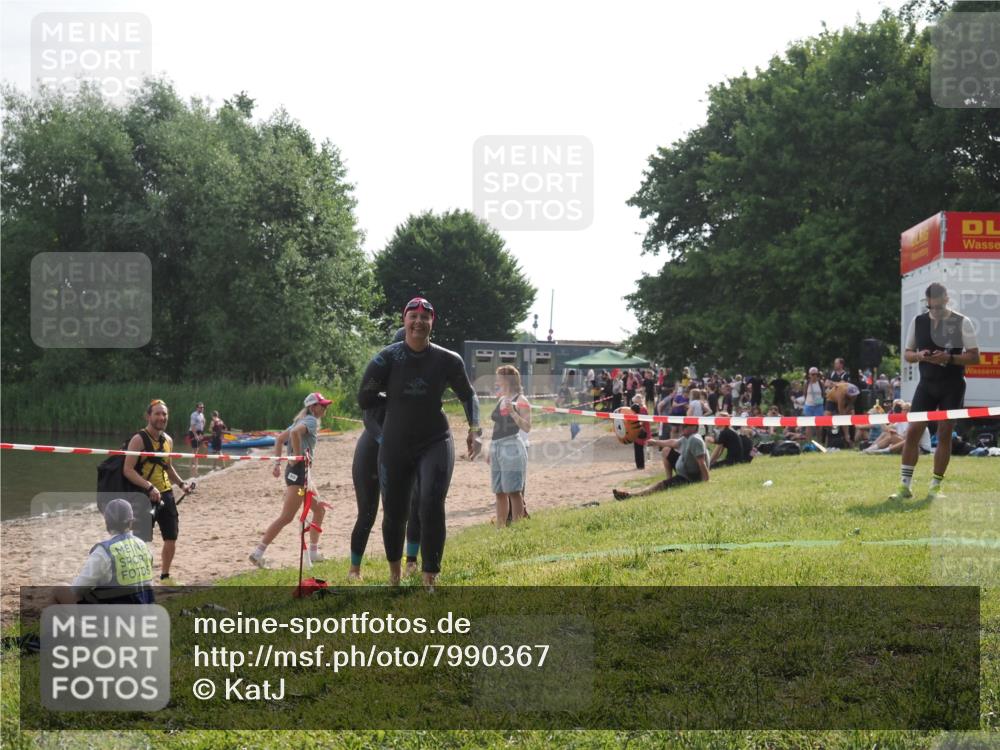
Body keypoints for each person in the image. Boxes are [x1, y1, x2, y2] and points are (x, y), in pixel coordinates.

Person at [357, 297, 481, 587]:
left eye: (425, 318)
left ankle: (430, 577)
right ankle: (395, 575)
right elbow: (364, 399)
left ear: (431, 323)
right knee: (395, 512)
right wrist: (396, 400)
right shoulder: (385, 359)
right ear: (405, 320)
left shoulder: (447, 359)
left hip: (435, 439)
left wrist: (475, 429)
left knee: (430, 504)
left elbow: (468, 394)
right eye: (413, 316)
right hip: (395, 442)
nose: (418, 322)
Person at [889, 283, 980, 500]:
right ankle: (904, 486)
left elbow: (975, 357)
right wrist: (921, 356)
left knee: (945, 433)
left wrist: (949, 358)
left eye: (939, 306)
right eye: (932, 307)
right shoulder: (918, 321)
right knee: (913, 432)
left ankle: (935, 486)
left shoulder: (962, 322)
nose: (935, 310)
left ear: (946, 300)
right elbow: (908, 354)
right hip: (926, 384)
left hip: (953, 385)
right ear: (927, 302)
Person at [349, 328, 423, 581]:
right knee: (367, 513)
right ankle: (354, 569)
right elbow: (369, 421)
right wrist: (388, 444)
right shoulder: (378, 385)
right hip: (371, 451)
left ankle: (411, 561)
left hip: (403, 453)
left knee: (414, 506)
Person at [249, 392, 332, 568]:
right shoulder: (310, 421)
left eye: (325, 405)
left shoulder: (300, 420)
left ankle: (314, 553)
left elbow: (279, 439)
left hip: (301, 473)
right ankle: (258, 553)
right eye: (322, 405)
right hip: (300, 474)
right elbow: (294, 434)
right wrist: (297, 456)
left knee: (320, 510)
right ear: (312, 407)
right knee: (286, 517)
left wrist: (278, 465)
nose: (325, 408)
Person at [122, 399, 193, 585]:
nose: (162, 417)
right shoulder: (138, 440)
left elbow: (167, 467)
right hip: (143, 496)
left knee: (171, 538)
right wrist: (149, 487)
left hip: (166, 494)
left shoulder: (168, 440)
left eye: (164, 414)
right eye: (157, 414)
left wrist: (181, 484)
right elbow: (127, 470)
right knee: (141, 540)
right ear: (148, 416)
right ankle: (139, 579)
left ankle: (165, 576)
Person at [54, 498, 155, 605]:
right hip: (145, 613)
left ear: (107, 522)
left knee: (59, 590)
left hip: (117, 618)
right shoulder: (143, 546)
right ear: (131, 522)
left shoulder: (104, 552)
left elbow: (78, 589)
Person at [612, 422, 709, 499]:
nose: (683, 426)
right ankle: (669, 479)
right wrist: (655, 442)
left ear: (694, 427)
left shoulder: (695, 440)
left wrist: (705, 481)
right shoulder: (687, 438)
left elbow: (702, 462)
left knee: (660, 486)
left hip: (688, 478)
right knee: (666, 450)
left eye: (686, 425)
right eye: (683, 424)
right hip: (684, 470)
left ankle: (632, 496)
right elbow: (673, 443)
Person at [488, 365, 531, 527]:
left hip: (512, 446)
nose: (496, 380)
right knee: (499, 491)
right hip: (497, 446)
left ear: (507, 380)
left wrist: (513, 412)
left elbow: (527, 426)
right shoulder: (501, 398)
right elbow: (496, 426)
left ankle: (517, 528)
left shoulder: (521, 400)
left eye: (499, 377)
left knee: (513, 491)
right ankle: (500, 529)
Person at [802, 367, 825, 442]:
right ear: (809, 375)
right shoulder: (807, 383)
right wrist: (807, 402)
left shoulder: (820, 383)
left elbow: (823, 394)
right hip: (809, 405)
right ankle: (809, 443)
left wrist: (820, 402)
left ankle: (819, 442)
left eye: (816, 374)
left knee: (818, 425)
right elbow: (805, 394)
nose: (814, 376)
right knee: (808, 425)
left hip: (818, 406)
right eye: (812, 374)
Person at [629, 392, 649, 470]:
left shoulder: (643, 409)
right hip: (637, 430)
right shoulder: (635, 409)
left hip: (642, 430)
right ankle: (639, 464)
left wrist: (636, 425)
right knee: (637, 448)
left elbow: (642, 421)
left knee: (640, 448)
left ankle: (641, 465)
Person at [188, 402, 206, 473]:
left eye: (203, 407)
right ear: (197, 408)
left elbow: (203, 422)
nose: (202, 408)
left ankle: (192, 465)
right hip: (193, 432)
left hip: (199, 432)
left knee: (196, 449)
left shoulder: (202, 415)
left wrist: (201, 433)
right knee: (195, 449)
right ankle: (195, 467)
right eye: (201, 407)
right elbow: (192, 426)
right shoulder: (194, 415)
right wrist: (195, 435)